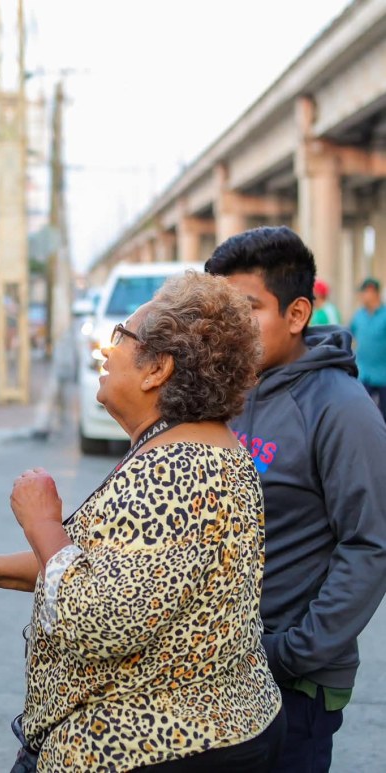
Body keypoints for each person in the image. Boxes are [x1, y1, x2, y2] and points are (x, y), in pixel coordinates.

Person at [0, 271, 285, 771]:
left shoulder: (177, 472)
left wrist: (42, 523)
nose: (106, 351)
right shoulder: (195, 449)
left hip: (150, 746)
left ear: (157, 370)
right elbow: (102, 565)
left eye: (120, 337)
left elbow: (96, 620)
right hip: (204, 734)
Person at [206, 226, 386, 772]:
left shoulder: (340, 408)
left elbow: (370, 545)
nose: (228, 328)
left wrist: (291, 653)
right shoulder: (223, 393)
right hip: (210, 675)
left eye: (247, 309)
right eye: (220, 312)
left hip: (292, 686)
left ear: (297, 313)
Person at [349, 276, 386, 421]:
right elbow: (349, 335)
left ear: (373, 292)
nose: (362, 296)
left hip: (383, 375)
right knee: (364, 415)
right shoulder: (359, 316)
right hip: (364, 374)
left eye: (364, 292)